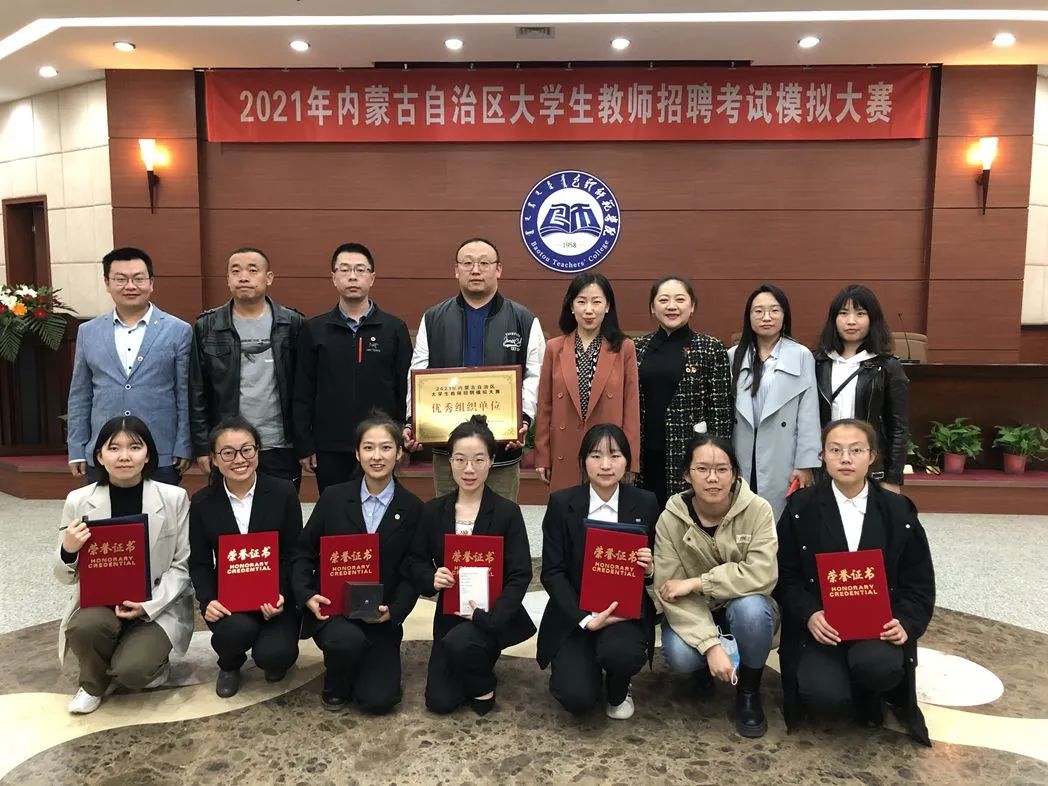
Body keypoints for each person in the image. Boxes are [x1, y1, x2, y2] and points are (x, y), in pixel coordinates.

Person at [775, 419, 935, 745]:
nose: (845, 458)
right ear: (823, 456)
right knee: (825, 697)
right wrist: (809, 614)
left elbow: (919, 581)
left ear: (872, 456)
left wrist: (906, 622)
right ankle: (842, 686)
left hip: (877, 628)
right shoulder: (800, 508)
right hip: (822, 629)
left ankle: (871, 691)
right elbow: (784, 575)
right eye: (835, 450)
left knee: (879, 668)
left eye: (856, 450)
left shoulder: (897, 510)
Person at [54, 416, 194, 714]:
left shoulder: (174, 498)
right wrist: (68, 549)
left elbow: (182, 566)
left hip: (156, 604)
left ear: (148, 455)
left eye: (134, 447)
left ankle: (149, 662)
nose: (124, 456)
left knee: (133, 672)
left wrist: (148, 605)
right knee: (84, 627)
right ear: (99, 456)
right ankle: (92, 684)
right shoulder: (79, 501)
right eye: (114, 448)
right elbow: (64, 576)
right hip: (100, 603)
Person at [290, 413, 424, 712]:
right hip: (335, 613)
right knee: (345, 642)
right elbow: (302, 552)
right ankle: (337, 678)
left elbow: (413, 569)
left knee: (379, 701)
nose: (377, 456)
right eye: (368, 447)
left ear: (399, 453)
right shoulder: (334, 498)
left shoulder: (413, 508)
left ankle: (364, 667)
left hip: (381, 616)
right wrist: (307, 594)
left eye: (386, 448)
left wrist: (395, 611)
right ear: (357, 453)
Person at [406, 415, 535, 715]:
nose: (469, 469)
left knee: (465, 646)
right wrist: (431, 577)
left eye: (478, 460)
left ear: (491, 461)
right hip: (450, 613)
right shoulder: (433, 511)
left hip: (493, 615)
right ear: (450, 461)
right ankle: (470, 663)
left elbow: (520, 574)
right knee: (439, 701)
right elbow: (415, 560)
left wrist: (492, 618)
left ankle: (483, 681)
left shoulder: (507, 513)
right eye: (460, 459)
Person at [653, 434, 779, 737]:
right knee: (681, 656)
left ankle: (748, 690)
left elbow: (762, 573)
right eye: (702, 469)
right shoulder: (670, 519)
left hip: (741, 606)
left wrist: (699, 582)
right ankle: (704, 669)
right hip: (695, 610)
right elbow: (669, 589)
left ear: (734, 474)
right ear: (687, 474)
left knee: (751, 610)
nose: (713, 478)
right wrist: (710, 646)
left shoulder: (758, 509)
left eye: (722, 469)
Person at [405, 238, 546, 502]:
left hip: (502, 449)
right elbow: (418, 372)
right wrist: (414, 421)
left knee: (500, 519)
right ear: (456, 270)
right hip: (449, 451)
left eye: (484, 263)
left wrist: (523, 419)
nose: (476, 270)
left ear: (499, 269)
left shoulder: (524, 319)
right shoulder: (433, 318)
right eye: (467, 263)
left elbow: (535, 375)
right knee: (449, 519)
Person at [537, 423, 660, 720]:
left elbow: (657, 569)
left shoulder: (645, 502)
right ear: (583, 461)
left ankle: (620, 685)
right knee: (577, 697)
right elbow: (552, 572)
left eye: (615, 456)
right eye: (596, 456)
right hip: (575, 615)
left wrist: (649, 570)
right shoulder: (562, 503)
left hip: (624, 615)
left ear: (627, 461)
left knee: (622, 655)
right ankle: (585, 669)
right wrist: (585, 619)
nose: (606, 465)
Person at [188, 416, 302, 698]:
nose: (239, 459)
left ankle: (271, 651)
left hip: (275, 597)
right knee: (235, 632)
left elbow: (294, 553)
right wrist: (208, 600)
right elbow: (200, 562)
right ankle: (229, 663)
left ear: (257, 451)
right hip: (229, 600)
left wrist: (281, 593)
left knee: (275, 656)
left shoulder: (283, 492)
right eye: (228, 453)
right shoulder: (202, 502)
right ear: (214, 459)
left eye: (247, 450)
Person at [67, 247, 192, 486]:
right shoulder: (88, 332)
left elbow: (184, 394)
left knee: (160, 510)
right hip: (104, 451)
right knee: (104, 510)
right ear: (107, 283)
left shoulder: (178, 330)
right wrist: (76, 447)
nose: (130, 286)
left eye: (138, 278)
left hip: (160, 450)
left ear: (151, 282)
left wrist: (183, 445)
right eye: (121, 279)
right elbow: (80, 395)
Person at [293, 243, 412, 493]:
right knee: (336, 509)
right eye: (345, 270)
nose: (352, 276)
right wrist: (305, 444)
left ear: (372, 277)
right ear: (333, 277)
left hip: (381, 444)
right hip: (330, 447)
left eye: (360, 270)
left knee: (380, 507)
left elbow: (405, 389)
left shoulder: (394, 329)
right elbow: (302, 391)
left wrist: (402, 436)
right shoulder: (314, 330)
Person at [190, 247, 305, 489]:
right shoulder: (208, 326)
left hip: (279, 443)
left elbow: (305, 388)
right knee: (229, 510)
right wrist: (202, 447)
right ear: (228, 279)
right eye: (236, 271)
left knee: (280, 508)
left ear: (268, 277)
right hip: (228, 445)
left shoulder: (292, 323)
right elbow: (197, 391)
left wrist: (305, 443)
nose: (244, 277)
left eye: (253, 270)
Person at [535, 272, 640, 493]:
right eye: (581, 302)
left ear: (608, 306)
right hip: (564, 449)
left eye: (596, 302)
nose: (589, 310)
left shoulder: (624, 348)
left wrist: (631, 460)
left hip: (607, 451)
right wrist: (542, 455)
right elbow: (545, 407)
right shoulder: (555, 347)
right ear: (571, 306)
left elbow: (631, 409)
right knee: (566, 509)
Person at [635, 276, 734, 508]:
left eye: (680, 300)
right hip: (645, 453)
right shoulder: (636, 347)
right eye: (664, 300)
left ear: (692, 306)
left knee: (687, 515)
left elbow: (720, 413)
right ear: (652, 307)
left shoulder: (711, 348)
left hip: (691, 455)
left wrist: (715, 461)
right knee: (647, 515)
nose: (672, 306)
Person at [727, 284, 821, 521]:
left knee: (778, 521)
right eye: (758, 311)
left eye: (774, 310)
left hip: (783, 454)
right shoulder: (734, 355)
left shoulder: (801, 355)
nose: (766, 317)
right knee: (741, 518)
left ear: (784, 315)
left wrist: (805, 464)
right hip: (742, 451)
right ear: (749, 317)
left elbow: (808, 415)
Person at [814, 285, 909, 494]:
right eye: (843, 313)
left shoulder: (888, 366)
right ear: (834, 319)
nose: (851, 321)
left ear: (872, 319)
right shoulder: (817, 363)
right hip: (823, 465)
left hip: (870, 467)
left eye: (860, 314)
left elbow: (898, 427)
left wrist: (893, 477)